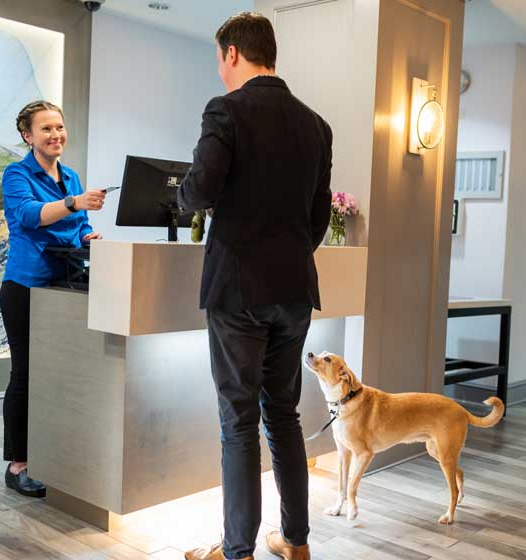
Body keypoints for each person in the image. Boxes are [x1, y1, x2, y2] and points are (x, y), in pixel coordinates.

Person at [178, 12, 332, 560]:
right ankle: (295, 542)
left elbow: (198, 192)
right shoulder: (315, 124)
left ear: (233, 54)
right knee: (284, 416)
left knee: (238, 423)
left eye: (219, 58)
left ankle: (236, 550)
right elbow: (317, 220)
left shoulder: (226, 109)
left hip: (237, 290)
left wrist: (187, 196)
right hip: (294, 291)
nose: (220, 69)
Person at [0, 100, 105, 497]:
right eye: (46, 129)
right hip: (26, 287)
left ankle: (55, 453)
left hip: (67, 287)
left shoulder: (71, 175)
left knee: (62, 375)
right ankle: (18, 465)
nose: (56, 135)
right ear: (28, 136)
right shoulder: (17, 174)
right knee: (25, 376)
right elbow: (28, 216)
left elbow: (78, 225)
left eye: (59, 127)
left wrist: (86, 235)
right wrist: (73, 204)